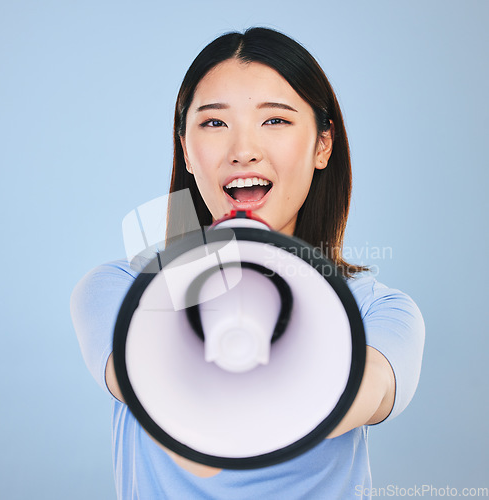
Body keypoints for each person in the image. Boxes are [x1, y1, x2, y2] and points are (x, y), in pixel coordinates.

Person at [71, 27, 425, 499]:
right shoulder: (118, 288)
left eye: (275, 121)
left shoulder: (379, 312)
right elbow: (138, 379)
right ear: (185, 149)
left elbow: (367, 392)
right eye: (214, 123)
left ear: (322, 146)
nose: (243, 150)